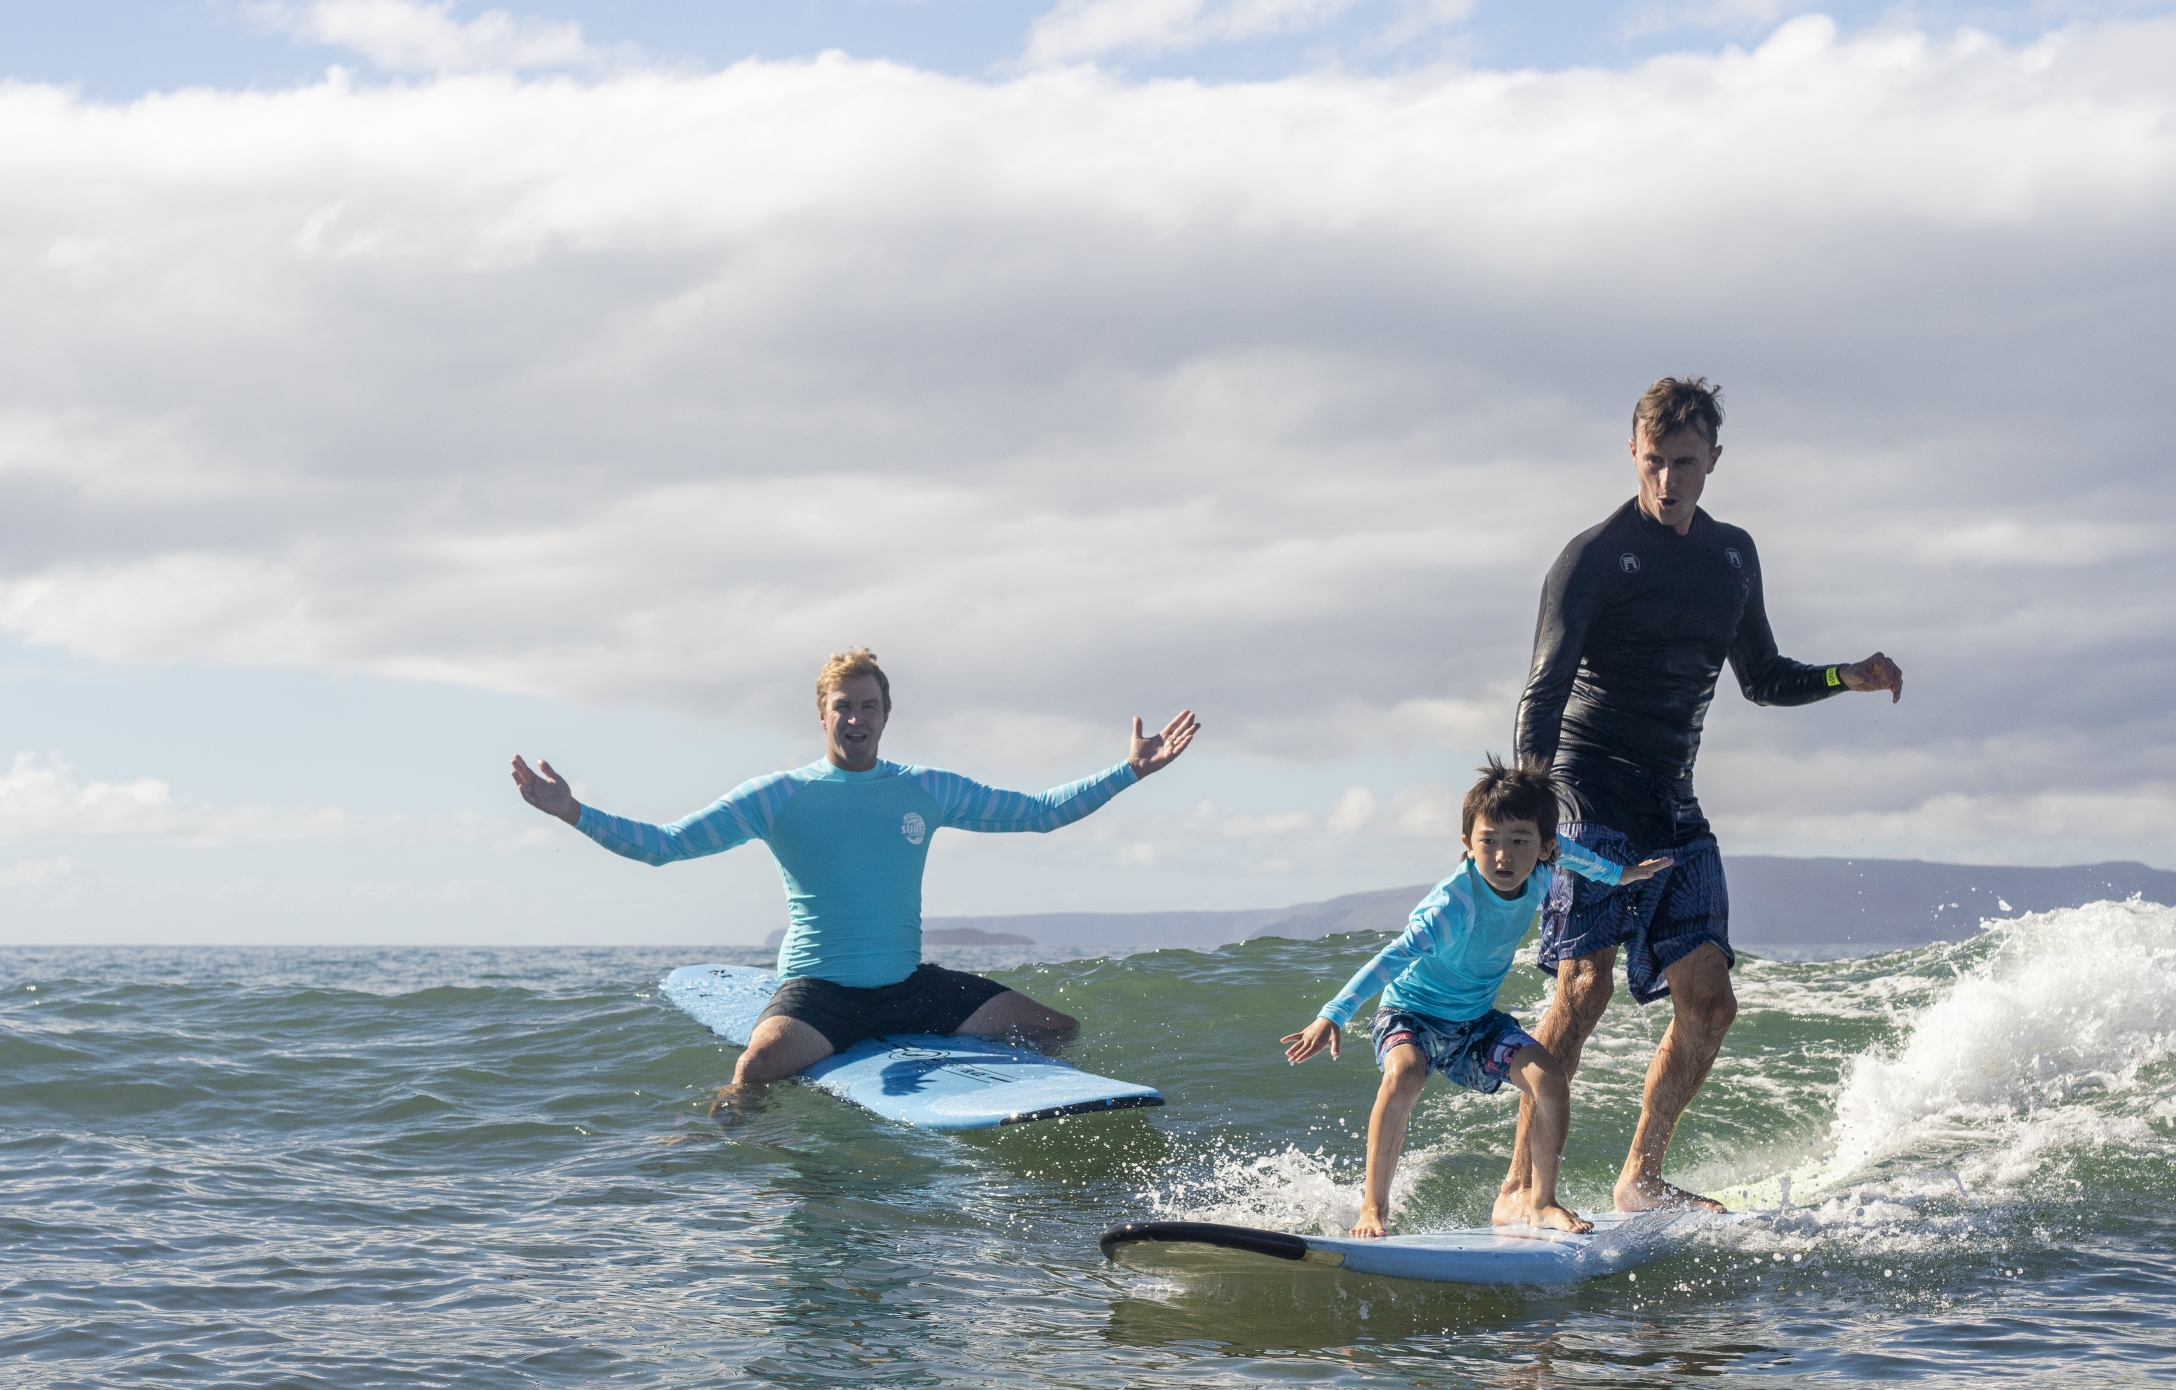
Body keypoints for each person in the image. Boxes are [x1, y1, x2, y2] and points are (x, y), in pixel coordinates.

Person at [1513, 376, 1902, 1212]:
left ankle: (1639, 1179)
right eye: (1653, 461)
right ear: (1633, 452)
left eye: (1684, 463)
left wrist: (1845, 676)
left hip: (1671, 799)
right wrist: (1532, 816)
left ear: (1714, 460)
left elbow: (1762, 678)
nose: (1667, 480)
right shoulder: (1592, 557)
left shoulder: (1732, 556)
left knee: (1711, 1003)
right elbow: (1543, 694)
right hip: (1587, 786)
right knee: (1584, 987)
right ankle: (1521, 1187)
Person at [511, 648, 1197, 1094]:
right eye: (844, 706)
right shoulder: (778, 796)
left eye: (869, 705)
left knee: (1054, 1028)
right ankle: (731, 1143)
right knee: (753, 1070)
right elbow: (666, 845)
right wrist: (574, 812)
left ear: (886, 715)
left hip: (909, 987)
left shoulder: (925, 788)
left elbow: (1040, 813)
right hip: (821, 994)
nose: (856, 718)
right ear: (823, 715)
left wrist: (1129, 772)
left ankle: (1019, 1099)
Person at [1280, 759, 1670, 1238]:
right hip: (1410, 1014)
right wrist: (1333, 1014)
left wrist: (1622, 875)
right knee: (1404, 1075)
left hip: (1474, 1023)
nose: (1503, 856)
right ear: (1467, 843)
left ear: (1544, 847)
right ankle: (1372, 1208)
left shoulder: (1543, 870)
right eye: (1488, 841)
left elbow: (1580, 858)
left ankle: (1542, 1201)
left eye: (1519, 842)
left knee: (1550, 1079)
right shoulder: (1452, 905)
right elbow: (1392, 957)